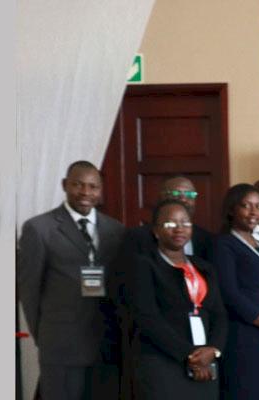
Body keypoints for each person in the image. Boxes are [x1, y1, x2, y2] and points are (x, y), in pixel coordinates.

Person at [18, 161, 126, 400]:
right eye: (78, 185)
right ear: (65, 185)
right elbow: (29, 292)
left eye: (92, 186)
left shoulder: (116, 230)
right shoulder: (39, 228)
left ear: (100, 190)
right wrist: (45, 336)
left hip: (106, 346)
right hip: (61, 347)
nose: (86, 193)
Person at [124, 199, 229, 400]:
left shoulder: (204, 267)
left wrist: (213, 350)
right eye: (170, 223)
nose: (179, 228)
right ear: (155, 230)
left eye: (185, 223)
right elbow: (147, 318)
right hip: (162, 363)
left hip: (206, 363)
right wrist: (190, 356)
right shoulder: (143, 265)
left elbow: (219, 314)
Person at [208, 184, 259, 400]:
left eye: (258, 206)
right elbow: (230, 294)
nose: (254, 212)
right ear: (231, 210)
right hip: (244, 336)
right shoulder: (223, 245)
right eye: (246, 206)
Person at [122, 175, 215, 258]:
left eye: (189, 194)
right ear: (161, 198)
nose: (183, 199)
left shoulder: (207, 240)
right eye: (176, 194)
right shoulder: (138, 238)